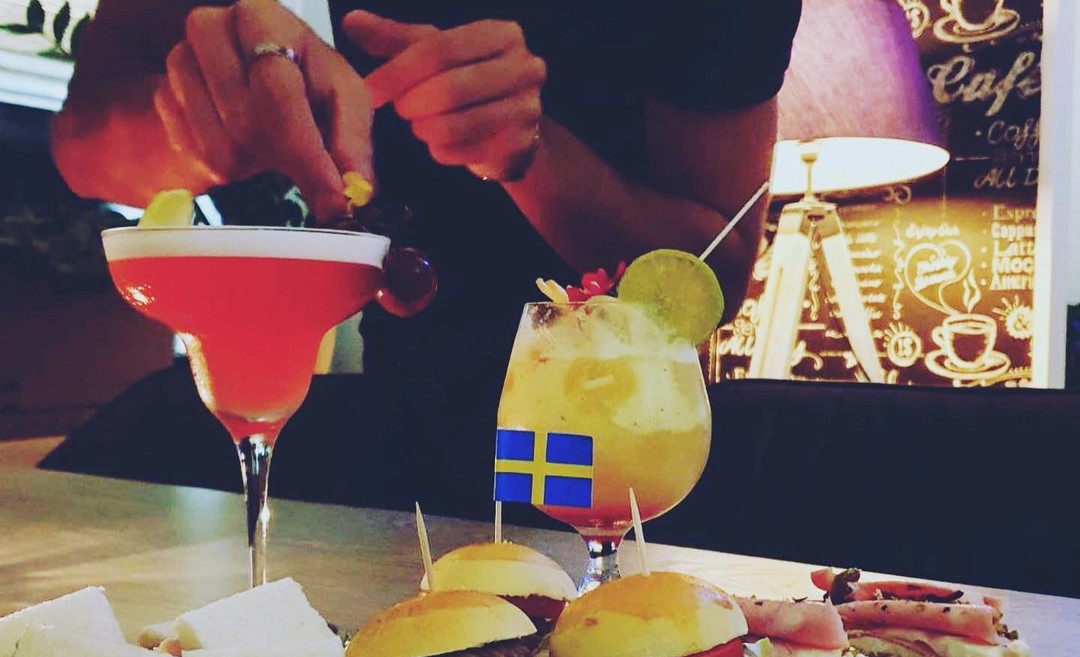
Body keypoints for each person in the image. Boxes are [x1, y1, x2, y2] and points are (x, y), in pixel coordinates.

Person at [48, 0, 802, 520]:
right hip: (396, 419)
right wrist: (213, 117)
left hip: (598, 423)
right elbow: (85, 143)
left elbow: (708, 274)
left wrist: (531, 155)